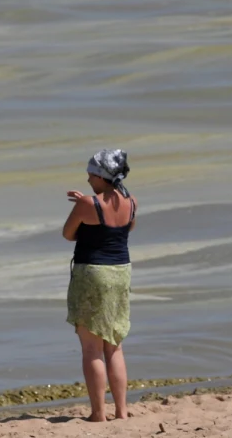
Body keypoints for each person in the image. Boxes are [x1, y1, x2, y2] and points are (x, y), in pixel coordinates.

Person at [62, 149, 137, 422]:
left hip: (93, 273)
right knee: (114, 345)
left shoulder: (88, 205)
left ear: (102, 177)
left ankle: (98, 414)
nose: (88, 178)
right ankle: (121, 411)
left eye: (91, 174)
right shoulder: (131, 202)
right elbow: (123, 229)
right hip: (121, 273)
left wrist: (85, 205)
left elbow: (68, 234)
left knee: (91, 348)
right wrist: (90, 205)